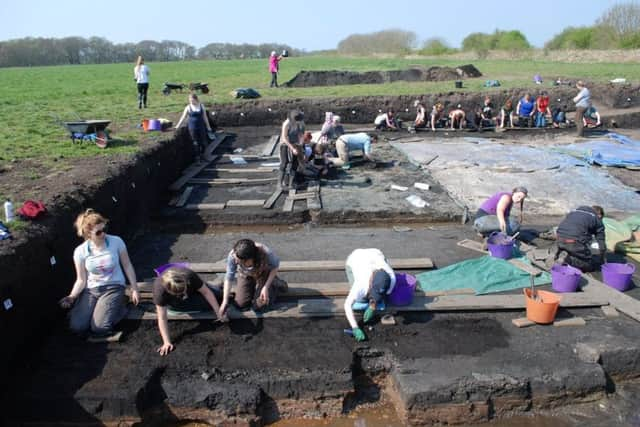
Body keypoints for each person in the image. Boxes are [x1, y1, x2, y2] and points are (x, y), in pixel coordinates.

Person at [59, 209, 139, 336]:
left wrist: (134, 288)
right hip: (91, 290)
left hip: (114, 286)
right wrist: (72, 296)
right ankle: (100, 309)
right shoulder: (80, 251)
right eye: (99, 232)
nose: (103, 234)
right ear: (88, 234)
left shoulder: (116, 241)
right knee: (77, 327)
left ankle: (120, 305)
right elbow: (81, 279)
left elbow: (127, 265)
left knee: (100, 328)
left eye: (104, 229)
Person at [153, 266, 225, 356]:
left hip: (192, 291)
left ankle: (213, 287)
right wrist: (166, 342)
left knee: (219, 295)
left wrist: (218, 312)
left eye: (183, 291)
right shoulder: (160, 291)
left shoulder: (189, 275)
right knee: (206, 305)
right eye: (179, 293)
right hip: (175, 302)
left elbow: (206, 292)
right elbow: (162, 318)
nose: (183, 294)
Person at [219, 239, 287, 316]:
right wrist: (225, 301)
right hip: (245, 274)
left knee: (259, 306)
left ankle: (275, 283)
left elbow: (275, 267)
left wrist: (266, 287)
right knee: (240, 304)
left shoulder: (265, 252)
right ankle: (252, 287)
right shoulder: (234, 254)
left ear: (250, 259)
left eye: (240, 261)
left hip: (263, 273)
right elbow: (229, 276)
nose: (236, 262)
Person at [343, 248, 396, 342]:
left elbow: (384, 293)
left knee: (380, 298)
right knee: (361, 300)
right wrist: (355, 327)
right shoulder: (360, 285)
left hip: (375, 253)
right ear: (371, 281)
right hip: (355, 258)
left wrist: (372, 306)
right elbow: (347, 305)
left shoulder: (391, 278)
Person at [532, 206, 606, 272]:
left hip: (559, 238)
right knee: (589, 264)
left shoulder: (575, 212)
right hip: (574, 241)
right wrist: (602, 258)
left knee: (570, 246)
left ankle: (556, 253)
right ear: (599, 215)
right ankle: (568, 260)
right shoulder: (597, 220)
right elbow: (601, 244)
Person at [175, 93, 213, 162]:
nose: (191, 102)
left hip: (201, 127)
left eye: (192, 100)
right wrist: (178, 125)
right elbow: (183, 117)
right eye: (190, 101)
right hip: (192, 128)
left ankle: (202, 155)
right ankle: (198, 157)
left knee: (203, 142)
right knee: (196, 143)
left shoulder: (201, 106)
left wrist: (208, 127)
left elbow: (205, 117)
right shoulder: (188, 107)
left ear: (196, 99)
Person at [278, 109, 305, 188]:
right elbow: (284, 138)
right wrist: (292, 148)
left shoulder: (300, 122)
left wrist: (300, 145)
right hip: (285, 144)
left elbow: (300, 134)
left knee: (295, 163)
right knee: (284, 163)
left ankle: (291, 183)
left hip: (295, 143)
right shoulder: (286, 123)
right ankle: (279, 184)